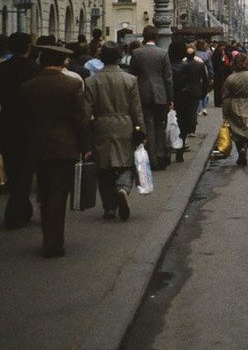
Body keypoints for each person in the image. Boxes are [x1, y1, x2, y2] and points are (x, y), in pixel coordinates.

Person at [22, 43, 90, 257]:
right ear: (63, 62)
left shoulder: (29, 86)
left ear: (41, 61)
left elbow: (23, 120)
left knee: (43, 191)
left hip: (37, 146)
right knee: (58, 194)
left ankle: (48, 237)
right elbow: (81, 119)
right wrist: (86, 146)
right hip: (65, 147)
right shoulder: (71, 85)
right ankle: (53, 243)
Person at [83, 43, 144, 221]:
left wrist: (86, 137)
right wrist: (141, 132)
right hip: (125, 124)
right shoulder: (130, 80)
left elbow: (86, 113)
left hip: (101, 126)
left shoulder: (91, 81)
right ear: (119, 57)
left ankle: (109, 208)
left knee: (104, 168)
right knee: (127, 163)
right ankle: (123, 188)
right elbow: (136, 109)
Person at [0, 33, 41, 230]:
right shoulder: (36, 70)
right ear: (28, 47)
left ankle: (23, 209)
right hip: (30, 126)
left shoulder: (2, 69)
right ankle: (14, 213)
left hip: (7, 124)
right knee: (26, 169)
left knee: (13, 168)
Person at [129, 26, 173, 171]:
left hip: (143, 93)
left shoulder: (136, 53)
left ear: (143, 36)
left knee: (148, 125)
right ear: (157, 37)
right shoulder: (163, 53)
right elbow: (168, 78)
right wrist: (170, 97)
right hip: (160, 94)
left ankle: (151, 158)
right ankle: (161, 156)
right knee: (160, 124)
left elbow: (132, 74)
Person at [221, 54, 248, 167]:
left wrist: (225, 114)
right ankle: (245, 148)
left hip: (234, 104)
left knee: (236, 131)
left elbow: (225, 95)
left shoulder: (230, 78)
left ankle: (240, 150)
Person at [169, 40, 205, 162]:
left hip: (169, 98)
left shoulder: (167, 65)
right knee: (182, 123)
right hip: (185, 97)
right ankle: (180, 147)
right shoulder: (187, 66)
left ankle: (167, 152)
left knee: (168, 125)